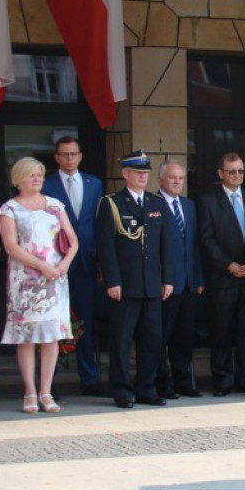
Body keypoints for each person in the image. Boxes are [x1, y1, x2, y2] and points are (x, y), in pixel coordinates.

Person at [0, 156, 79, 414]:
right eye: (32, 174)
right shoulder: (9, 209)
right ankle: (29, 392)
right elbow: (11, 247)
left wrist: (64, 264)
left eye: (40, 174)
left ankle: (46, 391)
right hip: (26, 280)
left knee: (51, 336)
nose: (37, 178)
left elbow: (73, 240)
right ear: (19, 178)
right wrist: (41, 266)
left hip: (55, 278)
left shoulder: (55, 205)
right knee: (26, 337)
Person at [95, 150, 175, 408]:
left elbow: (166, 245)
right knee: (121, 341)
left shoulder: (156, 203)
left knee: (152, 340)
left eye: (145, 173)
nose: (142, 177)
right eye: (137, 173)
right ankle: (122, 390)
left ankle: (146, 388)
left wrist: (168, 279)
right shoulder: (112, 204)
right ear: (125, 174)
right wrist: (112, 281)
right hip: (125, 285)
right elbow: (105, 247)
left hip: (152, 285)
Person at [198, 152, 245, 396]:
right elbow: (206, 239)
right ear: (221, 174)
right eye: (232, 171)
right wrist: (229, 265)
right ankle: (223, 381)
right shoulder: (208, 201)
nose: (237, 175)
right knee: (223, 330)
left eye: (240, 171)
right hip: (223, 277)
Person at [42, 135, 103, 395]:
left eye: (74, 154)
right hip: (56, 264)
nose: (69, 159)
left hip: (87, 262)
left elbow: (97, 223)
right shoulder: (46, 184)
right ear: (57, 157)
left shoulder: (94, 183)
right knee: (52, 324)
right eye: (64, 154)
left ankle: (89, 379)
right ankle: (48, 382)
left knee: (86, 324)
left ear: (80, 156)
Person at [156, 161, 204, 399]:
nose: (177, 182)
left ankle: (183, 381)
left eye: (180, 178)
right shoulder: (152, 204)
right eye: (172, 178)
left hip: (188, 282)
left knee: (184, 337)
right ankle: (162, 383)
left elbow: (194, 244)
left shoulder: (189, 205)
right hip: (166, 284)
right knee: (162, 336)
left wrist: (198, 277)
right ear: (161, 180)